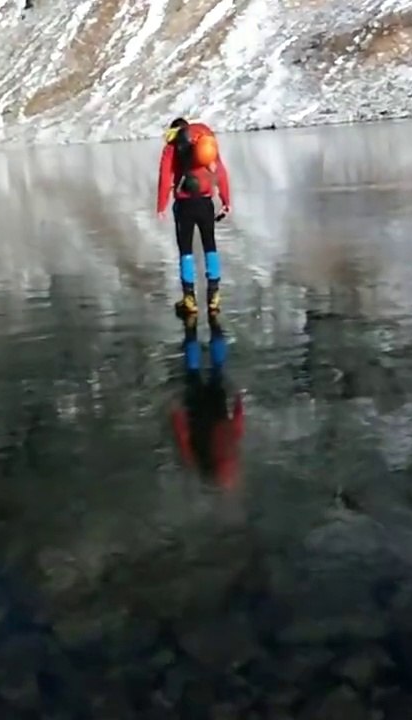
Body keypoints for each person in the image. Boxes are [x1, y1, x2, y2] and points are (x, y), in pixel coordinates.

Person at [156, 117, 232, 316]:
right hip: (205, 203)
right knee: (210, 245)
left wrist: (161, 206)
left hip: (184, 205)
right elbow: (221, 174)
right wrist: (226, 201)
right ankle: (214, 296)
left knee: (186, 249)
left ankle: (189, 299)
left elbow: (165, 177)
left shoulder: (172, 148)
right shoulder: (205, 145)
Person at [170, 314, 244, 488]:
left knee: (214, 371)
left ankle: (211, 322)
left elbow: (237, 430)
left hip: (210, 407)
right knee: (197, 372)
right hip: (204, 408)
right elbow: (182, 435)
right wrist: (176, 414)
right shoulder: (196, 459)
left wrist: (238, 401)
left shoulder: (198, 458)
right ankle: (196, 324)